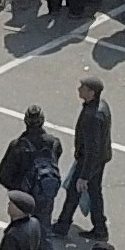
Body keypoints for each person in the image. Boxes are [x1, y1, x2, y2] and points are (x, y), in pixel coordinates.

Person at [52, 78, 111, 240]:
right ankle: (99, 228)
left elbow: (92, 149)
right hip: (99, 159)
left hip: (89, 161)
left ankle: (62, 227)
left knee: (74, 191)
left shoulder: (93, 116)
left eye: (82, 87)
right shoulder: (100, 107)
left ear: (91, 92)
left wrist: (84, 176)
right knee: (94, 193)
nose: (79, 89)